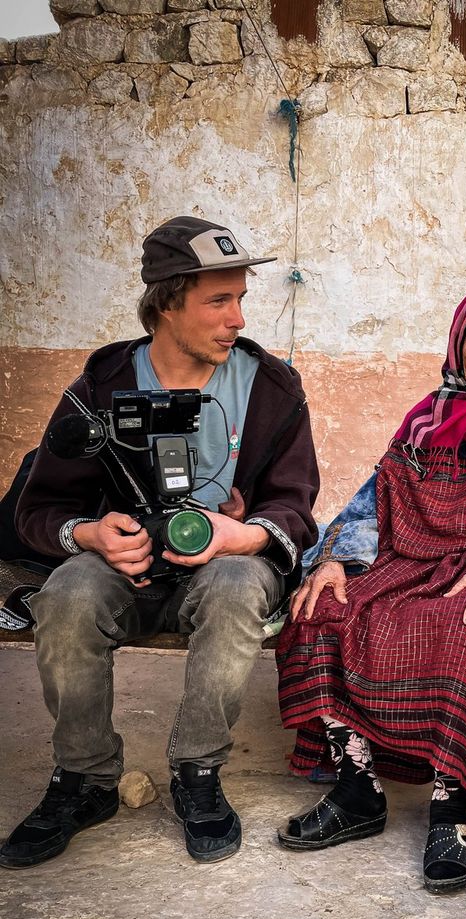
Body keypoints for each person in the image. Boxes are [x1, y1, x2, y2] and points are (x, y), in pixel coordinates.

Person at [0, 215, 319, 868]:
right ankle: (85, 778)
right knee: (67, 595)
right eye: (218, 300)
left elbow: (294, 506)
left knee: (237, 586)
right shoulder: (102, 384)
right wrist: (88, 532)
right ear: (167, 303)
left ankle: (198, 771)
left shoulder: (270, 386)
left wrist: (245, 533)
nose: (237, 318)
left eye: (240, 299)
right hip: (124, 566)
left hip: (226, 564)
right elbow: (40, 507)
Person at [276, 287, 466, 892]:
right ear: (455, 345)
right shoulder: (428, 417)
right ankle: (357, 787)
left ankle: (450, 809)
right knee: (321, 609)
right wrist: (336, 558)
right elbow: (377, 493)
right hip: (414, 554)